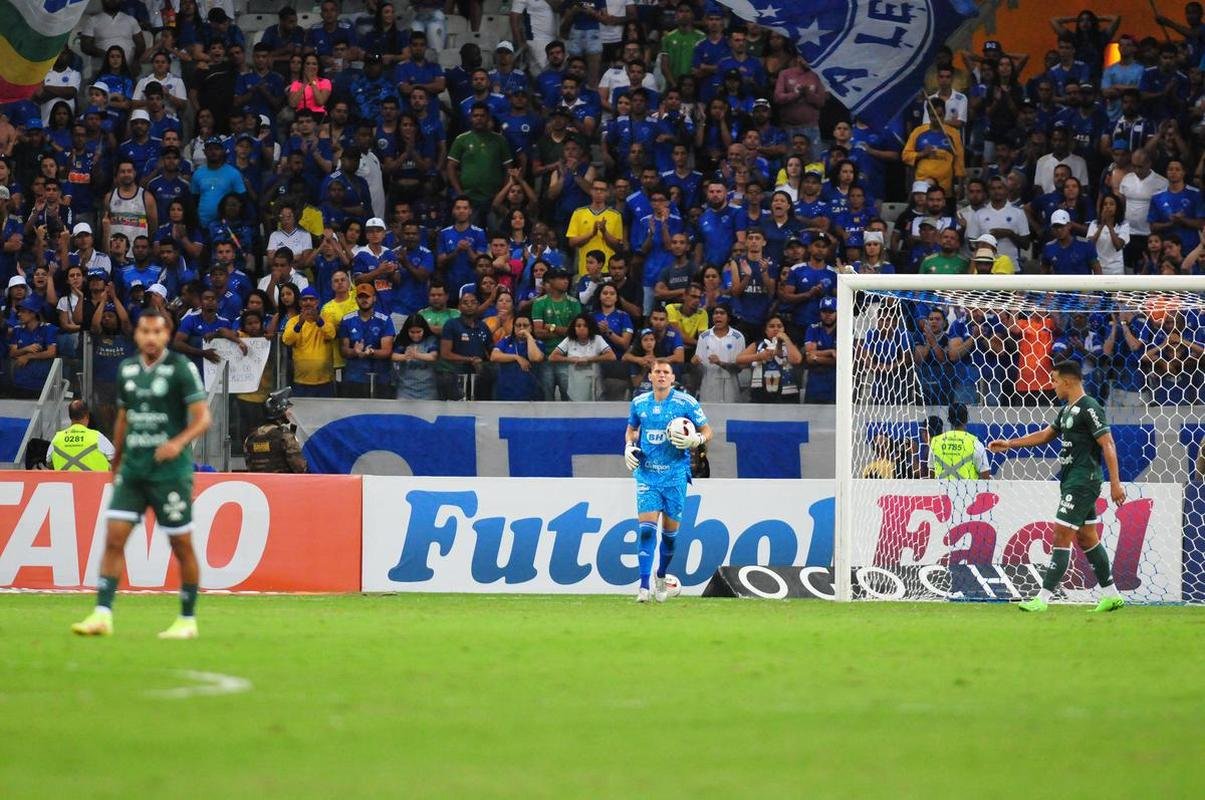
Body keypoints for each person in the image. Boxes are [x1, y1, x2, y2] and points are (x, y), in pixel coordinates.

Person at [71, 310, 211, 638]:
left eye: (157, 332)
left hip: (169, 474)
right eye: (145, 331)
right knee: (114, 538)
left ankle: (187, 619)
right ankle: (102, 614)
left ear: (166, 335)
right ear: (136, 335)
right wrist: (116, 460)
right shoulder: (128, 369)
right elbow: (124, 417)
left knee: (181, 544)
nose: (150, 337)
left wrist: (177, 443)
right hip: (133, 470)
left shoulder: (181, 368)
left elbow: (203, 418)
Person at [989, 360, 1127, 613]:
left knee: (1060, 535)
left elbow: (1108, 443)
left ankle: (1042, 599)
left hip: (1083, 481)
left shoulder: (1089, 407)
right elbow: (1045, 435)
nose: (1051, 385)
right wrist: (1010, 444)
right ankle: (1112, 596)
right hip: (1071, 479)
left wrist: (1115, 484)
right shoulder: (1067, 410)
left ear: (1067, 381)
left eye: (1054, 380)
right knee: (1086, 537)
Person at [623, 360, 713, 603]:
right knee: (646, 530)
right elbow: (631, 430)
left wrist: (696, 440)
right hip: (647, 474)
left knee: (670, 537)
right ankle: (643, 587)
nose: (661, 375)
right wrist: (629, 446)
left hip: (675, 476)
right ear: (650, 376)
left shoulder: (686, 403)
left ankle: (661, 575)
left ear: (673, 378)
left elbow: (707, 431)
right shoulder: (639, 403)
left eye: (666, 372)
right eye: (657, 372)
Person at [243, 388, 307, 474]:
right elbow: (300, 468)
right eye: (286, 409)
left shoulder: (251, 437)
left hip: (259, 482)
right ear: (280, 412)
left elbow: (249, 466)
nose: (290, 413)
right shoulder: (285, 436)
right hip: (282, 481)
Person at [928, 403, 991, 480]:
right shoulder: (975, 443)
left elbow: (931, 474)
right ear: (967, 419)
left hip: (941, 487)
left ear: (949, 419)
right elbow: (985, 477)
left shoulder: (936, 441)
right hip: (968, 487)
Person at [49, 400, 115, 471]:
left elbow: (49, 463)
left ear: (70, 416)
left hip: (65, 478)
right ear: (87, 416)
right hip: (94, 478)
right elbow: (115, 459)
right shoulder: (97, 437)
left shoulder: (57, 438)